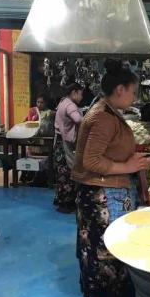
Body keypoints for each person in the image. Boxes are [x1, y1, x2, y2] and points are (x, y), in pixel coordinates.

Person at [71, 59, 150, 297]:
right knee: (107, 256)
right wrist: (129, 166)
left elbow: (109, 152)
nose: (134, 97)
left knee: (96, 254)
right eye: (132, 91)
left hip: (103, 195)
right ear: (120, 89)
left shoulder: (107, 111)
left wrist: (137, 159)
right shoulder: (103, 117)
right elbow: (91, 161)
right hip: (102, 199)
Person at [53, 83, 83, 213]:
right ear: (74, 92)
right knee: (67, 173)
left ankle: (60, 200)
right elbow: (78, 120)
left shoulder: (63, 102)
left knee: (62, 173)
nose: (81, 97)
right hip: (64, 144)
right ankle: (66, 204)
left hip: (59, 141)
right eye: (80, 93)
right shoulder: (70, 105)